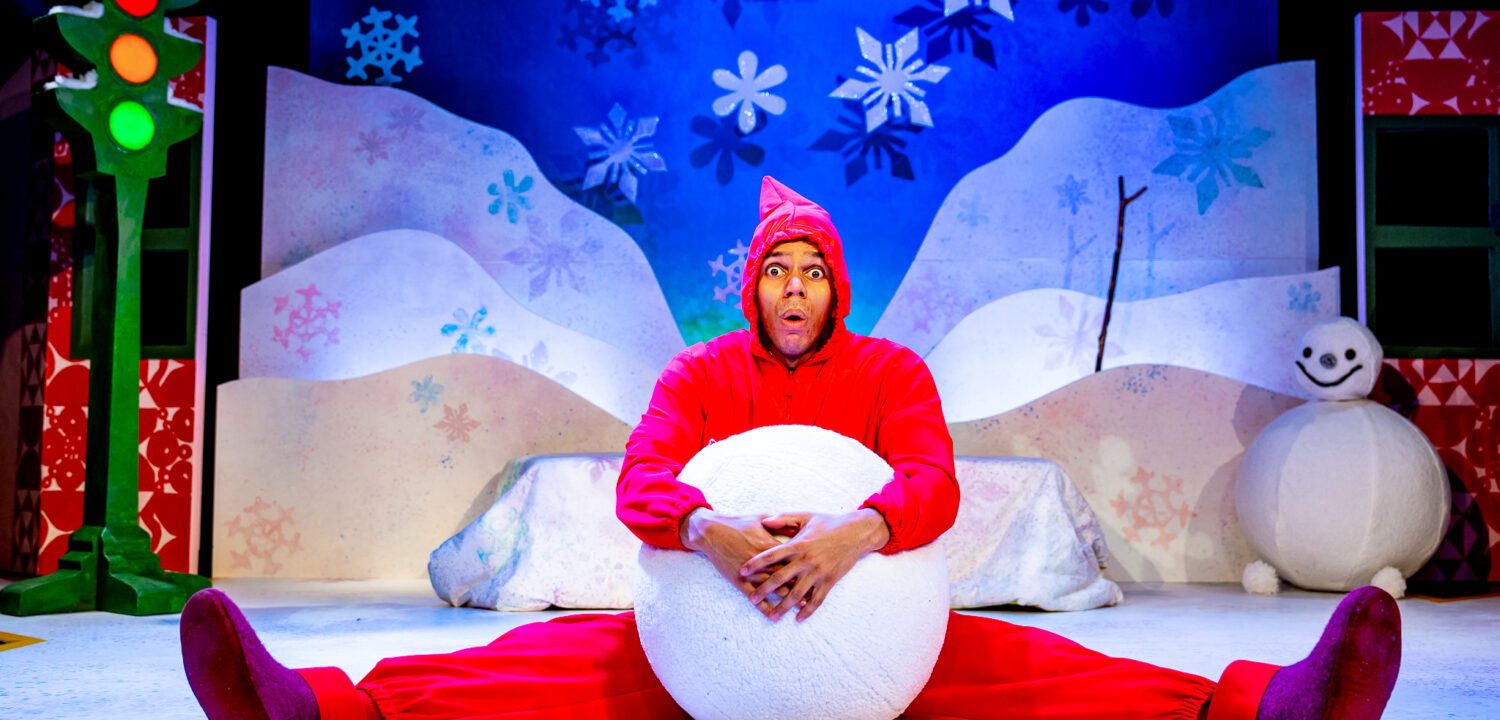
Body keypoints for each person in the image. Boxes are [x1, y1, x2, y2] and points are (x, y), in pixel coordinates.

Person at [181, 177, 1402, 720]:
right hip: (702, 631)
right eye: (781, 270)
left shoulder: (891, 373)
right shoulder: (701, 375)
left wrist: (849, 536)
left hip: (879, 635)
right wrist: (712, 533)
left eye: (816, 270)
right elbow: (643, 481)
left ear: (838, 284)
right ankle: (319, 709)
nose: (799, 287)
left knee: (1045, 677)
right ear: (754, 286)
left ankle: (1265, 707)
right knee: (530, 670)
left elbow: (931, 483)